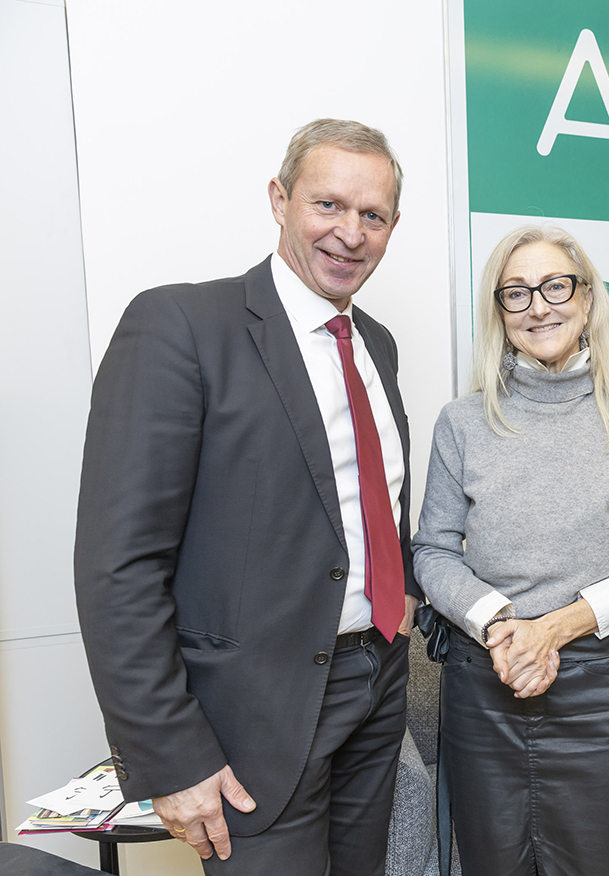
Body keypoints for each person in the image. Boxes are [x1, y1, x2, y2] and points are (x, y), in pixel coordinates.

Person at [74, 118, 420, 875]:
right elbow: (118, 565)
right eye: (327, 205)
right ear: (279, 199)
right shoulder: (181, 325)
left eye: (373, 216)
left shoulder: (378, 345)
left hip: (376, 683)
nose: (350, 234)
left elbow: (366, 518)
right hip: (249, 720)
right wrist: (170, 756)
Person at [411, 225, 609, 876]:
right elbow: (432, 552)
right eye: (517, 293)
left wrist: (557, 629)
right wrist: (504, 629)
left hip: (597, 695)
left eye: (556, 286)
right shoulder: (462, 423)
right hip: (487, 685)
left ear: (587, 300)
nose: (539, 306)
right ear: (499, 315)